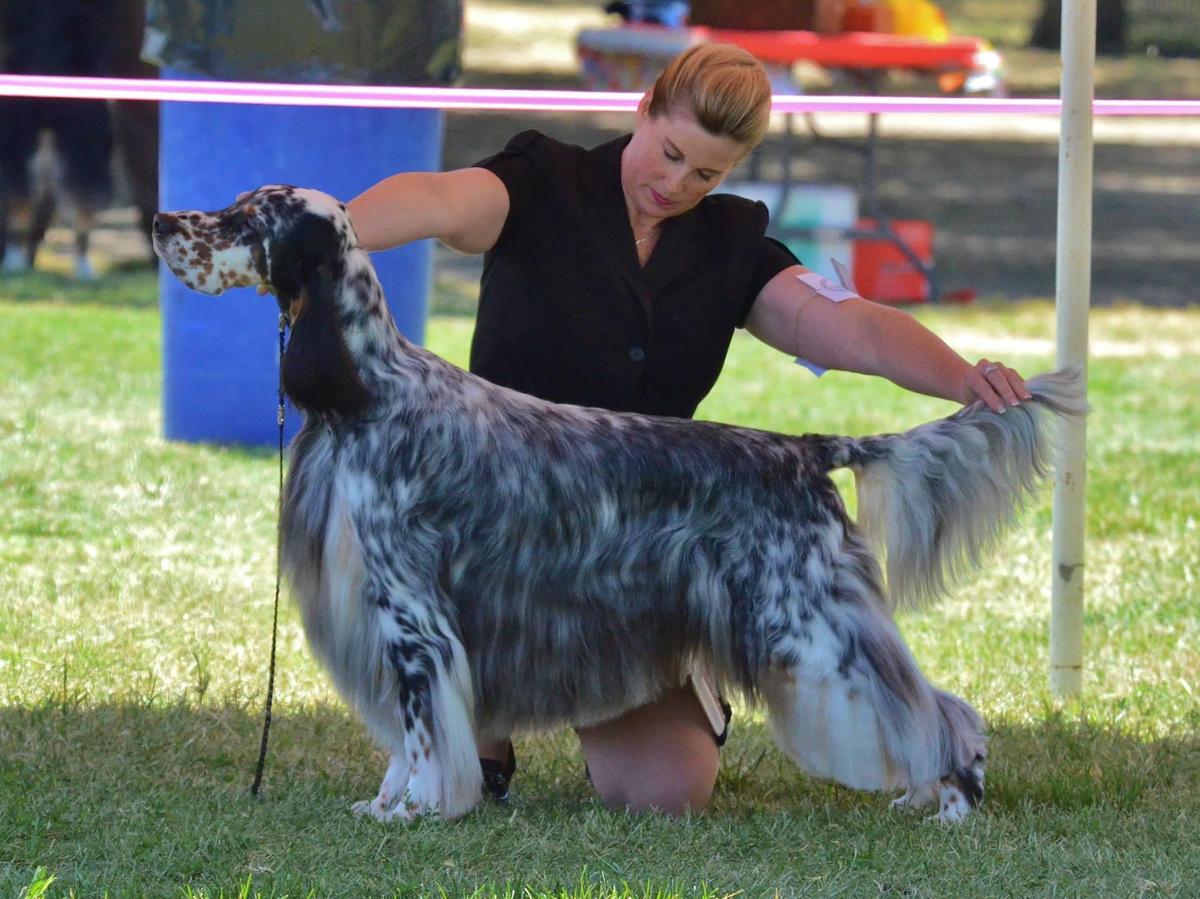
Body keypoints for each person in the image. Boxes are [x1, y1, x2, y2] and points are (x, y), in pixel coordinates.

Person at [346, 42, 1031, 816]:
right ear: (644, 110)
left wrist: (962, 380)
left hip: (643, 557)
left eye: (705, 173)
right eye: (669, 154)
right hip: (499, 533)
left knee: (667, 790)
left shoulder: (730, 242)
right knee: (442, 644)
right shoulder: (541, 181)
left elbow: (847, 328)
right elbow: (437, 199)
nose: (675, 184)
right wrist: (332, 233)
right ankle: (480, 731)